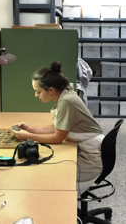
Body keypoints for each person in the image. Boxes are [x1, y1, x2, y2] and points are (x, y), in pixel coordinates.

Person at [12, 61, 105, 194]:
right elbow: (58, 127)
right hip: (87, 149)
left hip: (91, 158)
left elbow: (57, 138)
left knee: (54, 179)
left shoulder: (66, 101)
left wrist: (27, 136)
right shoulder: (65, 95)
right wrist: (30, 128)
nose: (36, 95)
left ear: (51, 90)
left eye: (38, 92)